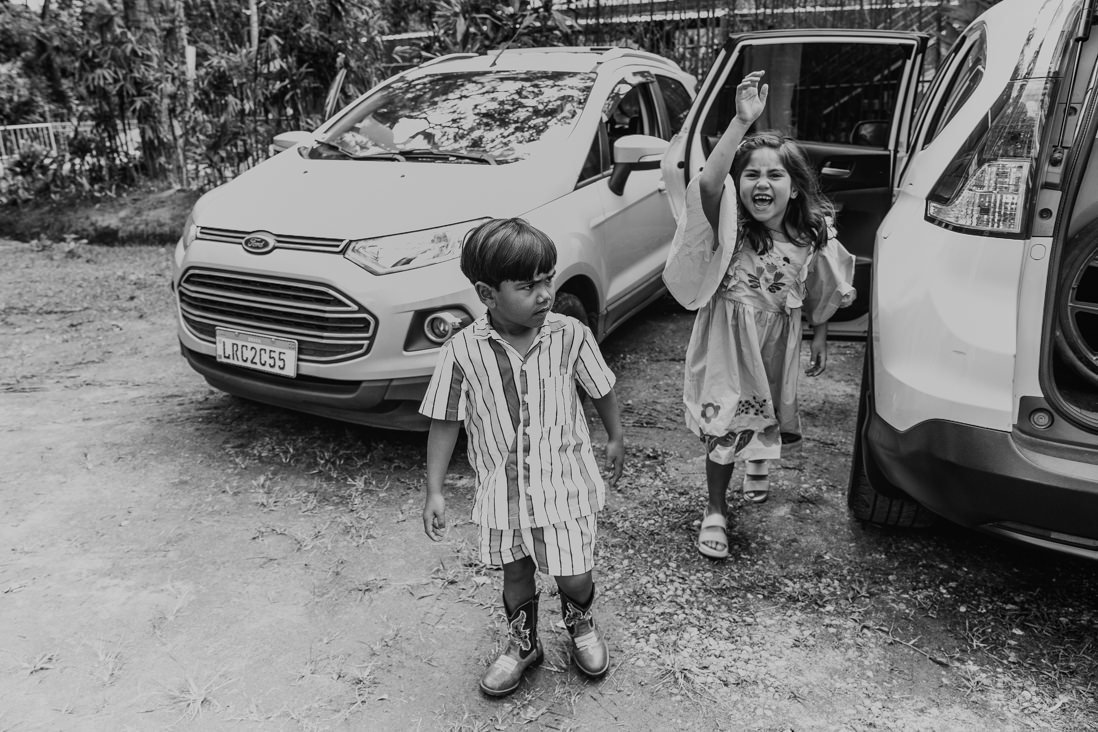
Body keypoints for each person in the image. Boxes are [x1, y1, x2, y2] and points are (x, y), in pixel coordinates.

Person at [419, 218, 625, 697]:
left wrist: (615, 436)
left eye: (548, 279)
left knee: (575, 573)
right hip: (503, 490)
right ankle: (524, 642)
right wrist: (434, 490)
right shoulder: (462, 352)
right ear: (487, 294)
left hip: (564, 483)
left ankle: (580, 621)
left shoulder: (570, 335)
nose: (545, 294)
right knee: (515, 572)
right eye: (528, 286)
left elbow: (600, 387)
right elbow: (445, 420)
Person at [662, 70, 856, 560]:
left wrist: (820, 333)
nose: (762, 183)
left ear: (795, 188)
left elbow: (821, 286)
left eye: (775, 175)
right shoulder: (731, 228)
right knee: (726, 423)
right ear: (739, 184)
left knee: (763, 411)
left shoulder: (811, 237)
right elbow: (709, 182)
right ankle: (715, 510)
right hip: (727, 344)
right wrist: (740, 122)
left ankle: (758, 462)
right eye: (751, 174)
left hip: (775, 342)